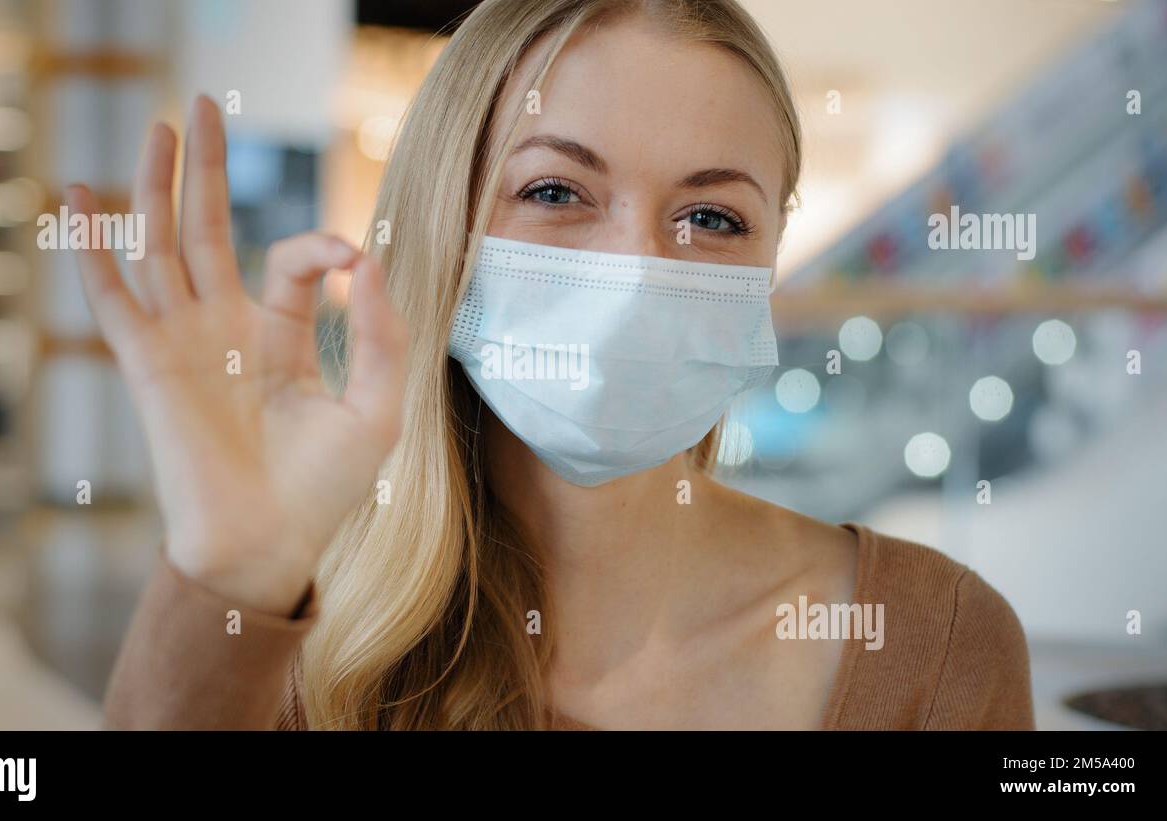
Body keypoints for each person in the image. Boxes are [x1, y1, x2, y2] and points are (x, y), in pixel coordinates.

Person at [69, 0, 1034, 730]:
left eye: (711, 217)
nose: (634, 273)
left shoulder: (937, 645)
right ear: (446, 223)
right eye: (557, 190)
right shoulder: (299, 641)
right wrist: (230, 576)